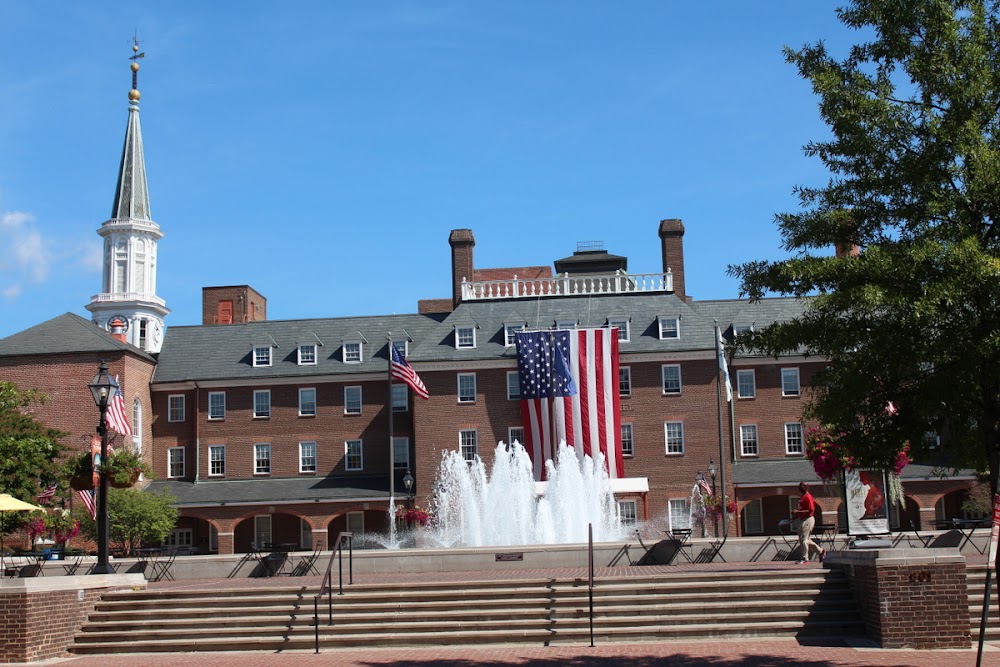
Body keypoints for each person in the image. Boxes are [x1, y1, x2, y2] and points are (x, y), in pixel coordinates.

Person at [792, 481, 824, 564]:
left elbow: (811, 510)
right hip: (802, 519)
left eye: (801, 486)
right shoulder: (802, 497)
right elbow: (801, 509)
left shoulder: (808, 497)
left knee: (804, 540)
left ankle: (805, 559)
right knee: (805, 540)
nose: (799, 488)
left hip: (808, 519)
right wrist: (795, 516)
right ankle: (821, 551)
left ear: (805, 487)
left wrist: (798, 512)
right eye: (799, 486)